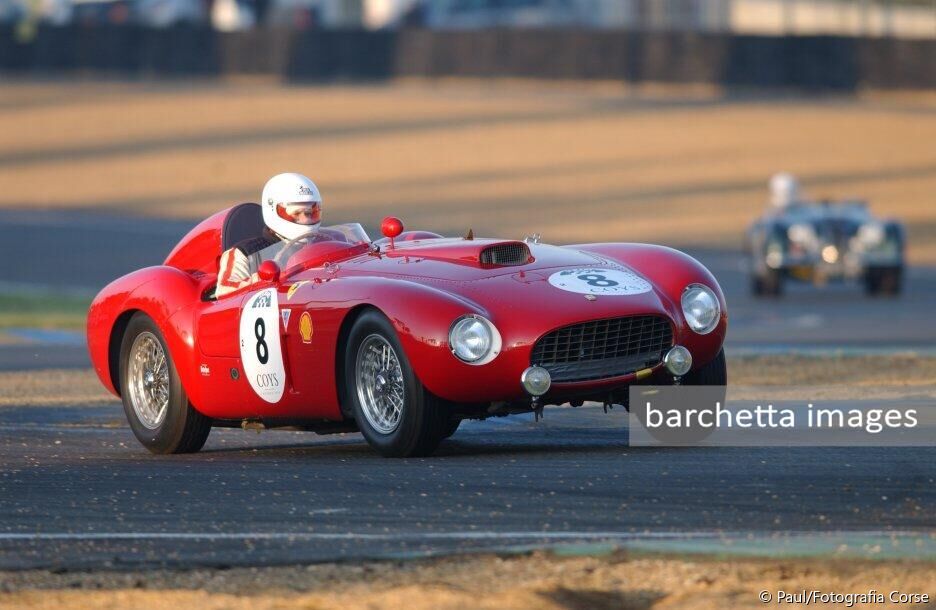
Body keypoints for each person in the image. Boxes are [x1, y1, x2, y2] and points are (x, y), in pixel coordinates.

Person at [216, 172, 323, 297]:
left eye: (310, 212)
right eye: (296, 213)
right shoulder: (244, 253)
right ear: (273, 210)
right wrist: (264, 278)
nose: (305, 219)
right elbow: (224, 292)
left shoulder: (325, 242)